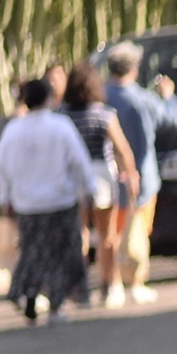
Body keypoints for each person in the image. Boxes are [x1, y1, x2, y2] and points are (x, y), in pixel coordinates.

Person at [0, 77, 98, 323]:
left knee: (32, 252)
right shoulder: (60, 126)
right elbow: (79, 161)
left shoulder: (13, 130)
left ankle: (28, 293)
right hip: (60, 200)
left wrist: (5, 199)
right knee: (61, 254)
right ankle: (56, 305)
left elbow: (2, 166)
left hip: (27, 204)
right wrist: (90, 190)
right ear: (49, 98)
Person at [104, 43, 177, 305]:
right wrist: (168, 96)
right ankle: (136, 281)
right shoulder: (145, 100)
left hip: (111, 175)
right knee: (138, 233)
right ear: (134, 68)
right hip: (143, 176)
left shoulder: (101, 97)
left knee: (113, 233)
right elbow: (172, 119)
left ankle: (113, 282)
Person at [62, 59, 140, 307]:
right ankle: (109, 284)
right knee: (107, 235)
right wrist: (132, 176)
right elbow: (122, 149)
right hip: (101, 175)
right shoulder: (104, 114)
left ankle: (80, 286)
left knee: (80, 233)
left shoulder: (62, 116)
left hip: (73, 177)